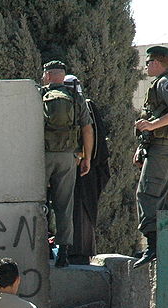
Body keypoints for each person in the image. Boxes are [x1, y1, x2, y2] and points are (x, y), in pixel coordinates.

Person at [133, 46, 168, 268]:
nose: (146, 66)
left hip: (163, 146)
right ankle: (165, 244)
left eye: (148, 62)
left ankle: (154, 246)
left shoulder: (165, 83)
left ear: (156, 62)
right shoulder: (160, 83)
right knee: (164, 196)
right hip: (158, 145)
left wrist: (153, 125)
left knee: (147, 192)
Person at [41, 60, 94, 268]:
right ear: (62, 76)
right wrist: (86, 157)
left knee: (39, 204)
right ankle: (63, 252)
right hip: (68, 157)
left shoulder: (39, 94)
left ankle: (41, 247)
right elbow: (87, 129)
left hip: (43, 156)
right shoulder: (75, 97)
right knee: (64, 205)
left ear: (48, 75)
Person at [63, 75, 112, 264]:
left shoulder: (85, 106)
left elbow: (92, 134)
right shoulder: (85, 105)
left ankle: (75, 252)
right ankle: (77, 252)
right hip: (85, 168)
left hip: (79, 169)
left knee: (76, 208)